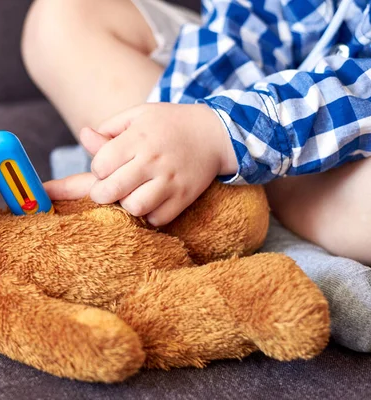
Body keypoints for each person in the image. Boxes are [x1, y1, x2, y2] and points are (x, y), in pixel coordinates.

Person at [21, 0, 371, 352]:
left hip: (349, 146)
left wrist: (222, 132)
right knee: (61, 18)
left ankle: (260, 232)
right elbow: (251, 27)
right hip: (266, 90)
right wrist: (183, 132)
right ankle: (203, 198)